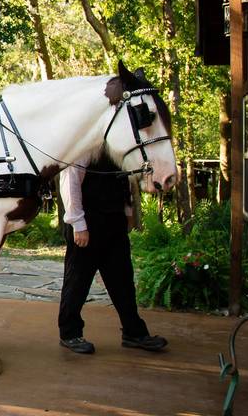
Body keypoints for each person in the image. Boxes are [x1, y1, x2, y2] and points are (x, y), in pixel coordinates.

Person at [57, 152, 168, 354]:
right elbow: (70, 182)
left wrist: (127, 213)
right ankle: (70, 334)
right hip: (87, 224)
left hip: (114, 221)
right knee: (77, 281)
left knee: (123, 280)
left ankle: (134, 333)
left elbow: (124, 181)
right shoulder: (85, 148)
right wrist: (78, 224)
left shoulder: (116, 149)